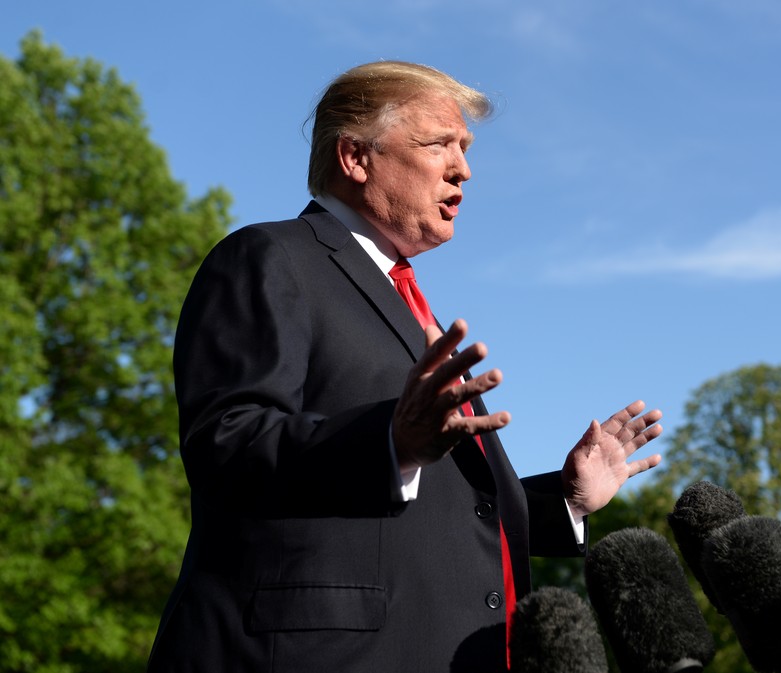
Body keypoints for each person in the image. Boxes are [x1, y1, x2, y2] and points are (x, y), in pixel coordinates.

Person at [146, 60, 663, 673]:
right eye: (439, 144)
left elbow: (440, 517)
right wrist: (391, 441)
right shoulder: (269, 258)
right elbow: (226, 445)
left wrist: (565, 501)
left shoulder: (415, 309)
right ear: (355, 158)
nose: (463, 169)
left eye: (465, 148)